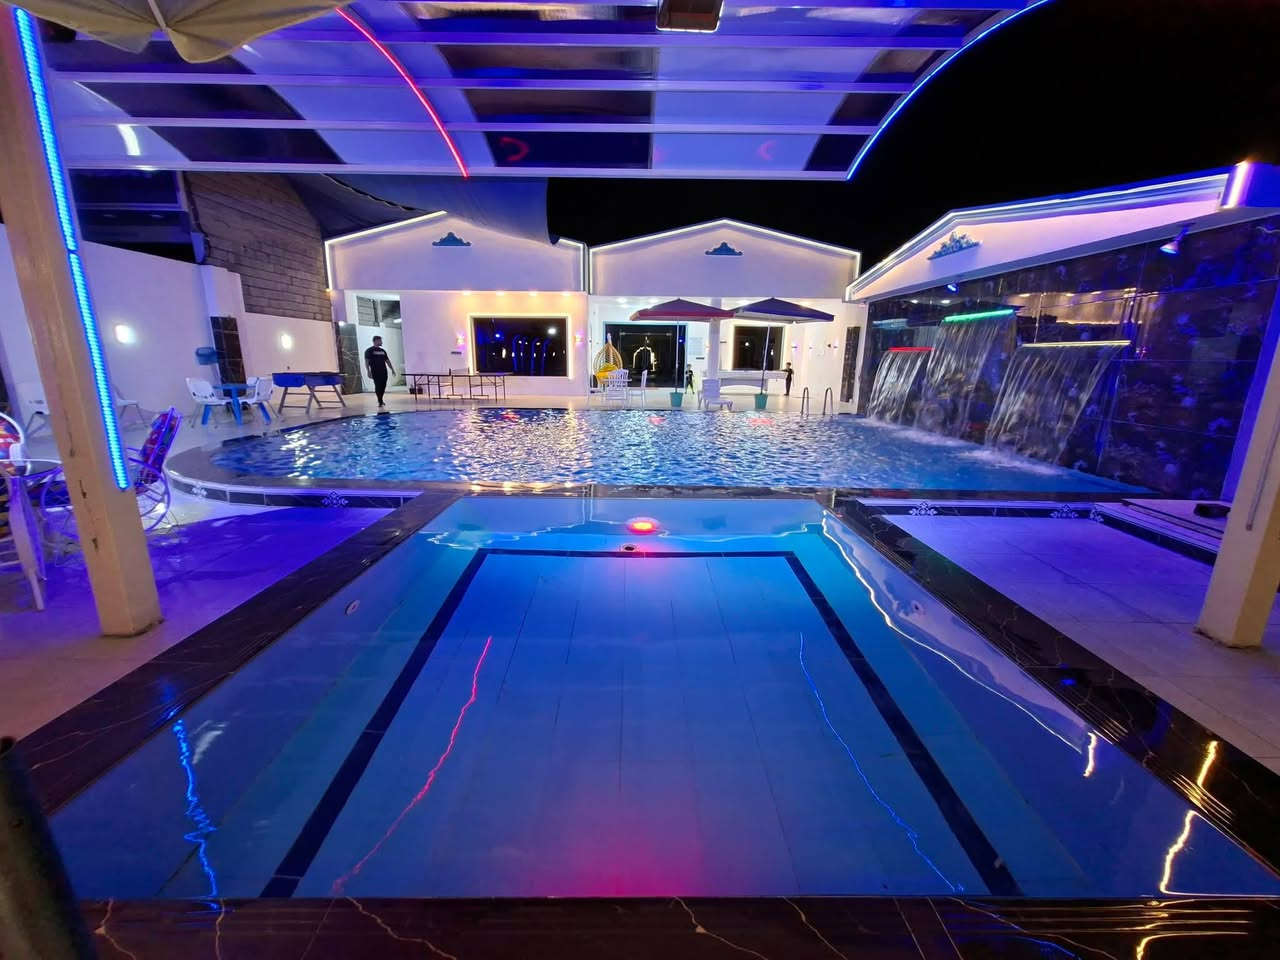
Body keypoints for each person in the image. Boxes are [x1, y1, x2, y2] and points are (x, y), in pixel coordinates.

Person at [365, 335, 395, 408]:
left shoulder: (383, 351)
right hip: (375, 371)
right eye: (380, 341)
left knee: (383, 385)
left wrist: (392, 369)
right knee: (378, 385)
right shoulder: (369, 351)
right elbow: (366, 361)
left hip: (384, 371)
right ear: (375, 341)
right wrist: (368, 371)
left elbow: (387, 360)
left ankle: (380, 399)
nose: (381, 342)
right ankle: (380, 401)